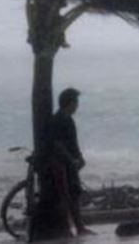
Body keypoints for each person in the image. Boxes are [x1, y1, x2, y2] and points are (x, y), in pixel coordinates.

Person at [48, 88, 94, 236]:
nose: (77, 106)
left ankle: (79, 226)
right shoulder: (60, 120)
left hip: (70, 162)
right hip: (62, 164)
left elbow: (73, 143)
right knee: (66, 195)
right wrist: (71, 160)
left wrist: (79, 157)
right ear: (69, 103)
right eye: (76, 102)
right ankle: (72, 227)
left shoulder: (68, 119)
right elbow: (58, 144)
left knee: (74, 193)